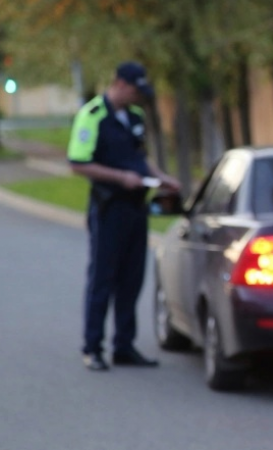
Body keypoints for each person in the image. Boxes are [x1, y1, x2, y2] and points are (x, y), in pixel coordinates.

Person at [67, 61, 180, 371]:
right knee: (103, 278)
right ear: (119, 83)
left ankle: (124, 346)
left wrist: (162, 177)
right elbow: (77, 163)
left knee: (132, 278)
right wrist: (120, 177)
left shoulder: (135, 117)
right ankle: (93, 347)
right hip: (108, 207)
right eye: (135, 90)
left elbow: (140, 159)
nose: (138, 97)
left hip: (135, 206)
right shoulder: (93, 116)